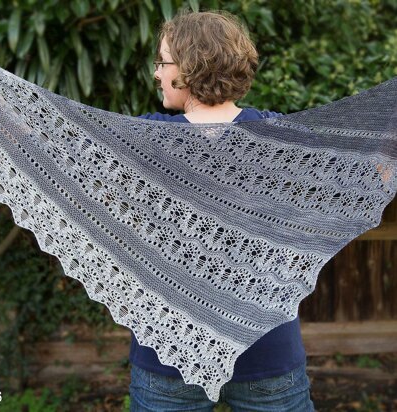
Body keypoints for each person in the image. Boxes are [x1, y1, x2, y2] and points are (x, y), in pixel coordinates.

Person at [128, 10, 315, 412]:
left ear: (189, 67)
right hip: (268, 351)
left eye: (162, 62)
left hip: (168, 356)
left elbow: (40, 143)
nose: (156, 73)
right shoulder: (279, 136)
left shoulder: (144, 138)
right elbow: (374, 158)